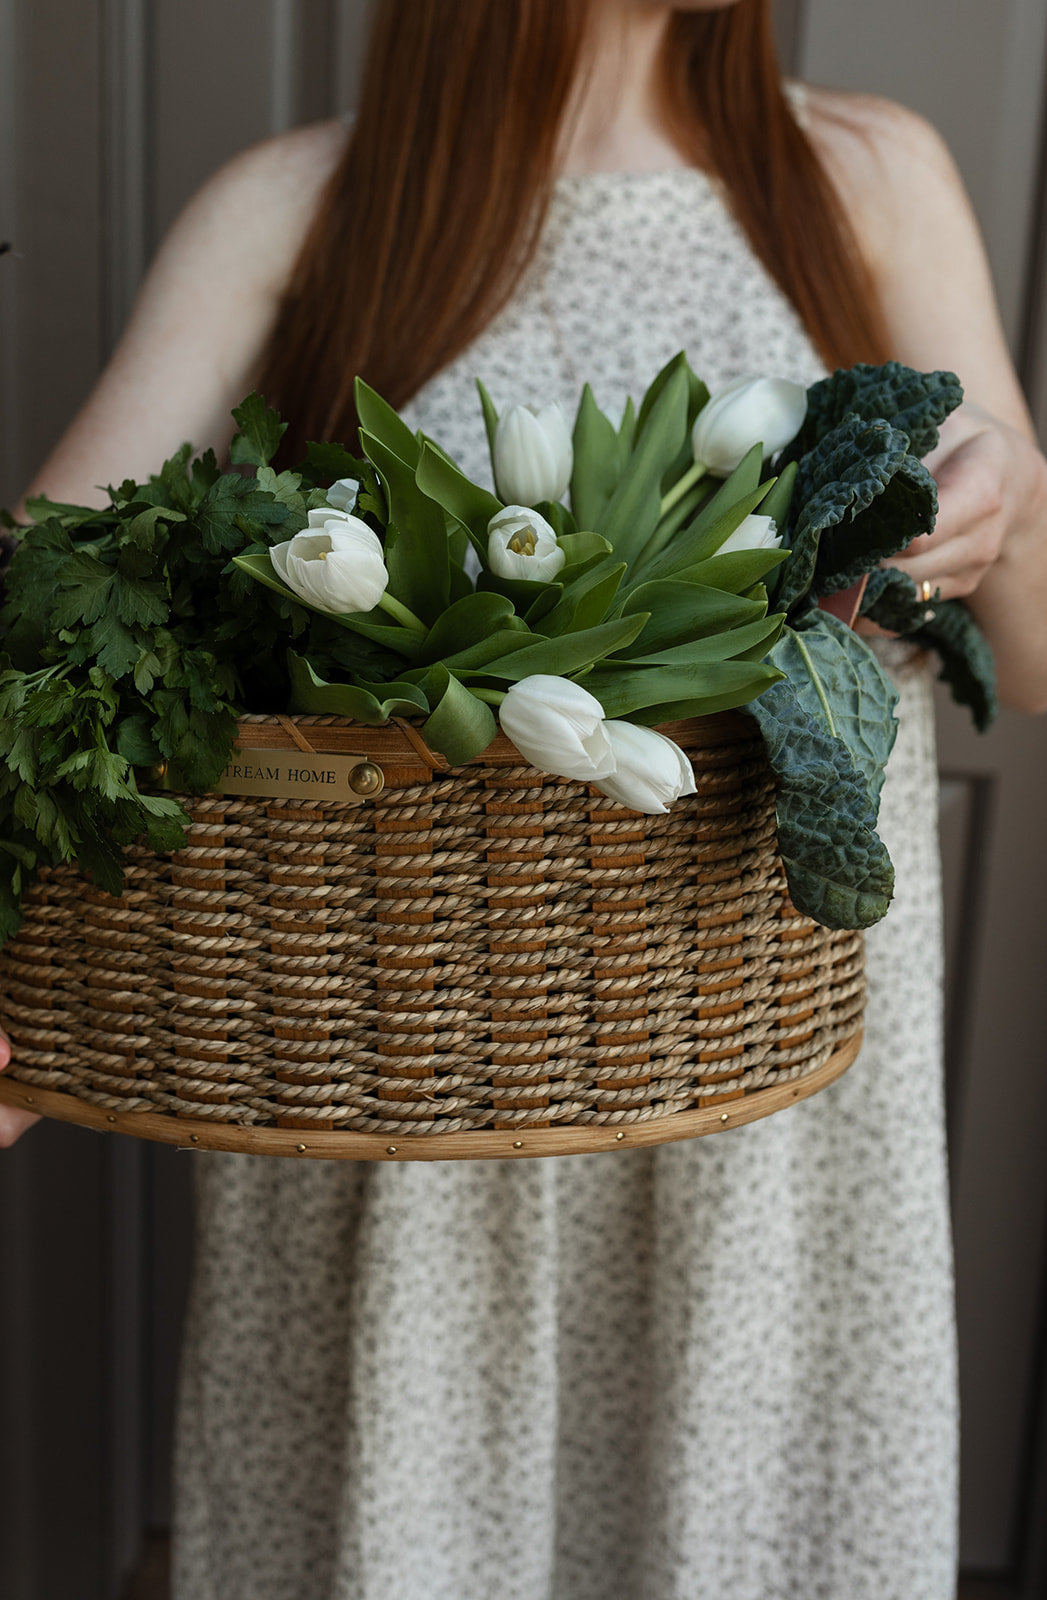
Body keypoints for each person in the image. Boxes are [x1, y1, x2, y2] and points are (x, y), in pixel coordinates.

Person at [3, 1, 1046, 1595]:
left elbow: (1040, 664)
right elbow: (46, 616)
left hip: (765, 1089)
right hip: (416, 1073)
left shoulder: (869, 174)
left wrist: (1008, 510)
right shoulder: (297, 206)